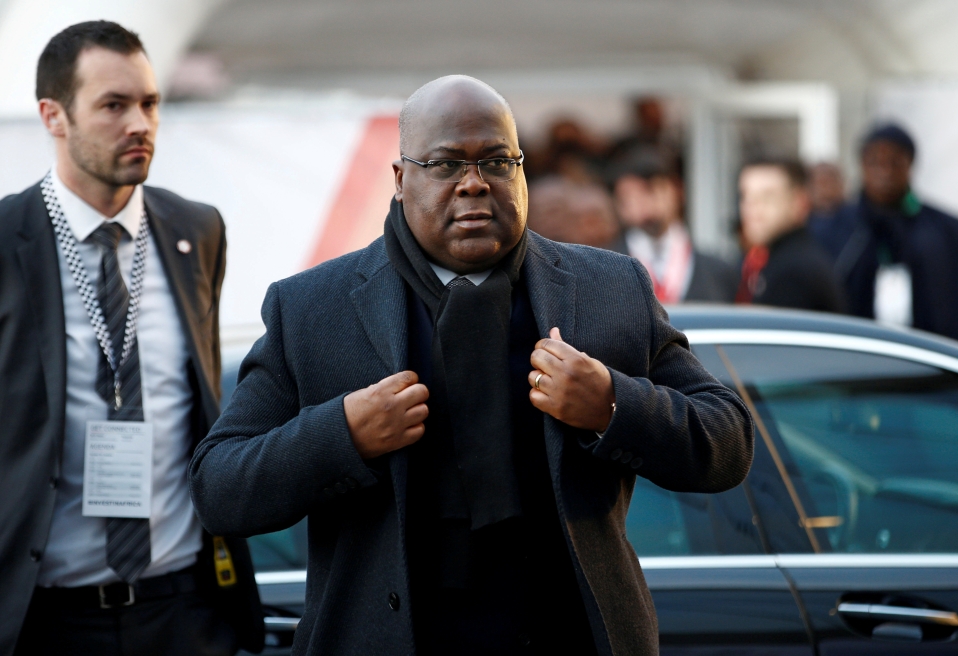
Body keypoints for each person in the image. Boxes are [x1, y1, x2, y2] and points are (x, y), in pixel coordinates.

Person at [189, 75, 754, 656]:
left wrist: (612, 404)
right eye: (445, 165)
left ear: (523, 171)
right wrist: (344, 435)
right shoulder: (313, 308)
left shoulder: (609, 287)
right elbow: (220, 488)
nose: (474, 184)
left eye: (497, 161)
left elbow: (729, 442)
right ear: (401, 178)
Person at [0, 22, 263, 656]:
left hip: (186, 608)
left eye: (149, 103)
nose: (140, 123)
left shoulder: (196, 229)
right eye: (114, 105)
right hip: (46, 619)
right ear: (53, 116)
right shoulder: (7, 239)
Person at [837, 123, 958, 352]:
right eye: (875, 162)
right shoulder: (838, 229)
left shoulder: (950, 231)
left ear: (910, 164)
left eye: (895, 162)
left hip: (938, 365)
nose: (885, 172)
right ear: (862, 165)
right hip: (858, 365)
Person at [608, 146, 738, 303]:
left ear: (677, 189)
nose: (641, 205)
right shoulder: (603, 273)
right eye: (629, 197)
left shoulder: (720, 272)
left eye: (650, 190)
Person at [736, 159, 846, 313]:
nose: (752, 209)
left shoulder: (794, 273)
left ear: (799, 202)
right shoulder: (769, 258)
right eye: (746, 196)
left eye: (767, 197)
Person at [806, 162, 857, 261]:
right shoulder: (798, 223)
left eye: (830, 181)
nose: (825, 189)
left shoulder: (859, 222)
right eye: (820, 183)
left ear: (842, 185)